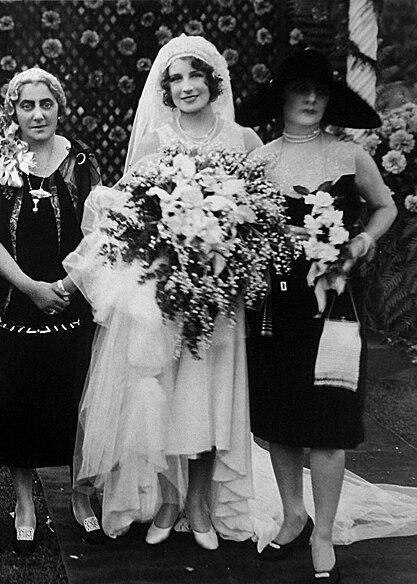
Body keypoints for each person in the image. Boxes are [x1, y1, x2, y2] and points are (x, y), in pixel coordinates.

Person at [63, 34, 267, 548]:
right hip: (166, 293)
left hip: (218, 294)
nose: (185, 87)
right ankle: (168, 501)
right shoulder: (156, 140)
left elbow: (263, 219)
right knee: (168, 396)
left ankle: (199, 505)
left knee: (211, 398)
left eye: (194, 75)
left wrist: (230, 248)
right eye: (174, 79)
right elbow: (128, 217)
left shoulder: (244, 140)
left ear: (214, 80)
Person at [237, 49, 397, 584]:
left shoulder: (351, 157)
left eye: (320, 91)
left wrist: (362, 242)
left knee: (329, 421)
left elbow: (386, 207)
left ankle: (323, 532)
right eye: (300, 89)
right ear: (282, 96)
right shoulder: (260, 162)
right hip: (274, 311)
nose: (310, 99)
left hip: (335, 307)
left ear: (330, 100)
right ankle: (292, 517)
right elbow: (242, 230)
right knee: (280, 417)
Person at [0, 67, 103, 555]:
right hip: (12, 296)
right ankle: (24, 501)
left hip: (72, 296)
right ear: (13, 110)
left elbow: (98, 235)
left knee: (76, 398)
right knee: (19, 400)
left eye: (46, 104)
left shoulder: (81, 160)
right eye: (27, 105)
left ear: (59, 106)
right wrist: (31, 287)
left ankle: (81, 497)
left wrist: (64, 285)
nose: (37, 114)